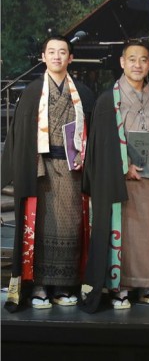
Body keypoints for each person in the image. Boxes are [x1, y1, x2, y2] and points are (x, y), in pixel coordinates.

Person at [2, 35, 94, 312]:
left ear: (70, 58)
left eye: (62, 52)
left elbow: (94, 136)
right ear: (43, 57)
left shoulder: (83, 93)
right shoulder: (32, 92)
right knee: (40, 227)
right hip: (41, 169)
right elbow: (20, 135)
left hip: (72, 170)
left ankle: (65, 286)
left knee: (71, 226)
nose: (56, 56)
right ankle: (39, 285)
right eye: (51, 52)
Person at [80, 40, 149, 311]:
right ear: (122, 63)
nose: (137, 65)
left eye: (143, 60)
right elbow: (100, 145)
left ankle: (148, 286)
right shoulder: (108, 99)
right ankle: (119, 287)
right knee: (124, 233)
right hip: (120, 180)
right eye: (132, 59)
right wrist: (124, 167)